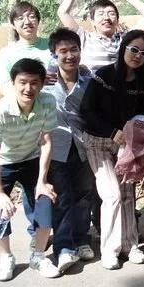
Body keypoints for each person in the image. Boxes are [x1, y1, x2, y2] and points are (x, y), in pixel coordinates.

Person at [80, 30, 144, 269]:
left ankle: (130, 246)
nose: (137, 56)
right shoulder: (103, 75)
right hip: (98, 143)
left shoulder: (142, 82)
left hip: (124, 145)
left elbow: (140, 113)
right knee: (112, 195)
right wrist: (112, 132)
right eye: (134, 49)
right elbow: (86, 111)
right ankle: (110, 250)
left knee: (127, 194)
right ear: (123, 48)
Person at [0, 58, 60, 280]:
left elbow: (46, 142)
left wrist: (42, 181)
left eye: (34, 83)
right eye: (23, 82)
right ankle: (6, 257)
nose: (28, 88)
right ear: (13, 83)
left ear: (42, 84)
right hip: (2, 163)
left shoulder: (47, 102)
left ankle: (38, 256)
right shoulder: (1, 110)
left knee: (45, 202)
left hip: (31, 159)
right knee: (0, 211)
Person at [44, 28, 96, 272]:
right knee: (62, 198)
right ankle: (64, 247)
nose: (69, 56)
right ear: (54, 55)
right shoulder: (45, 82)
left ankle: (82, 238)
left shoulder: (90, 81)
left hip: (84, 146)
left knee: (84, 195)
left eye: (74, 50)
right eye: (63, 51)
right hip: (57, 148)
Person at [58, 0, 144, 72]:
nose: (106, 18)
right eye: (101, 14)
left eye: (111, 14)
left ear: (117, 20)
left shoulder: (126, 39)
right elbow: (62, 13)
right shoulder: (84, 37)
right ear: (92, 21)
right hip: (91, 83)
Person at [0, 1, 53, 96]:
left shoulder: (53, 45)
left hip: (58, 103)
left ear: (38, 21)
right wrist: (34, 85)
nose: (27, 22)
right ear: (12, 24)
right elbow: (4, 88)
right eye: (20, 18)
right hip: (26, 104)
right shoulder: (6, 53)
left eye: (32, 17)